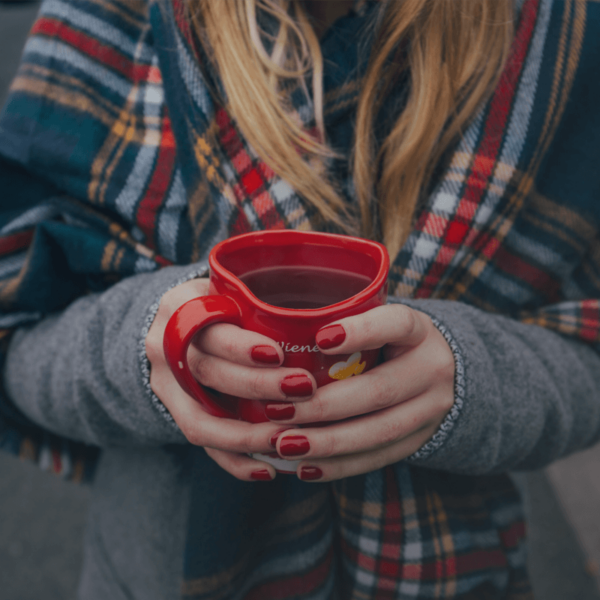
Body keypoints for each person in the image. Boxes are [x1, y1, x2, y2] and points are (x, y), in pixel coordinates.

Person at [1, 0, 599, 598]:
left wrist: (470, 379)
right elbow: (18, 336)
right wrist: (149, 346)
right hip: (160, 575)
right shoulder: (112, 15)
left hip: (450, 571)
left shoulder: (561, 35)